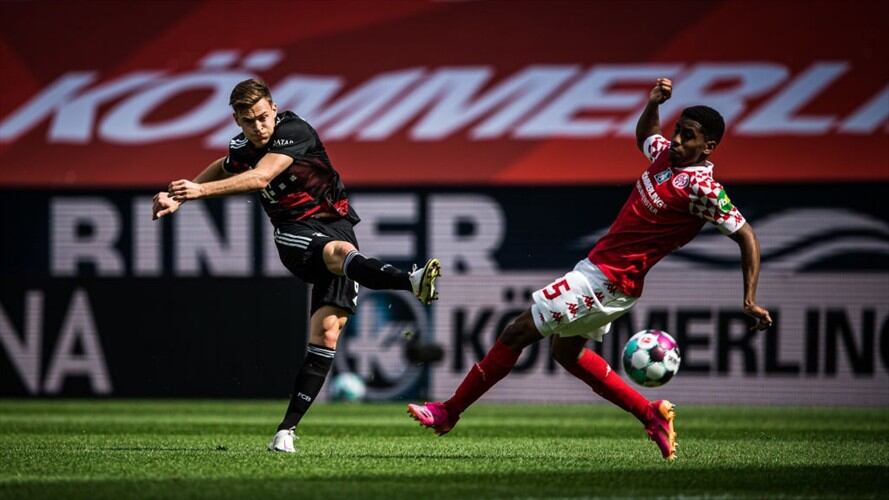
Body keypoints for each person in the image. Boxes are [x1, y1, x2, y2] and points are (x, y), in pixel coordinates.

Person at [407, 77, 773, 461]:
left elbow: (747, 236)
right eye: (678, 132)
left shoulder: (704, 189)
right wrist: (653, 105)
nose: (677, 141)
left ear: (709, 146)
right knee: (567, 354)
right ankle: (650, 415)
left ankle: (449, 411)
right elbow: (646, 136)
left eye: (689, 137)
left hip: (608, 279)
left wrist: (748, 298)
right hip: (603, 274)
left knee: (516, 332)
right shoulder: (667, 157)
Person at [152, 78, 441, 453]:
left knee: (327, 333)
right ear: (237, 121)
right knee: (337, 254)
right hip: (294, 235)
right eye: (248, 121)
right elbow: (225, 166)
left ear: (273, 108)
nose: (258, 126)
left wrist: (198, 191)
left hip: (335, 224)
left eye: (261, 117)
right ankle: (411, 282)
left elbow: (261, 176)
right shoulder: (243, 146)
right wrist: (183, 196)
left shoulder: (294, 130)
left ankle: (285, 432)